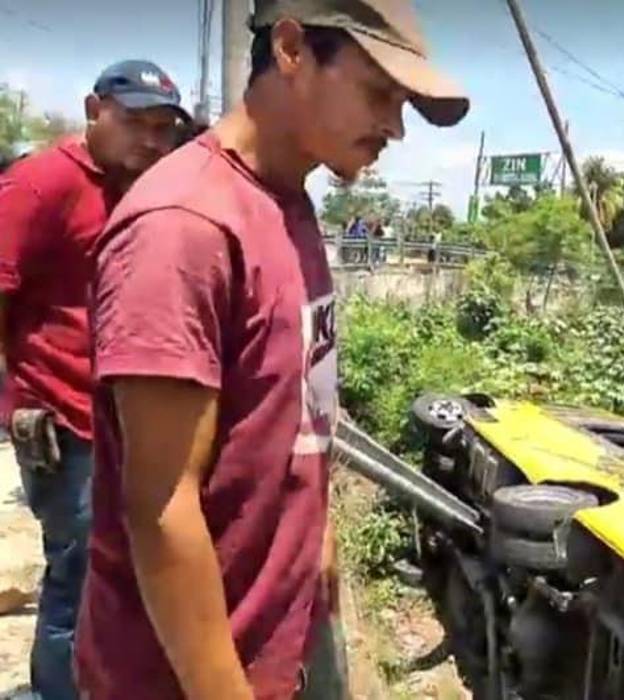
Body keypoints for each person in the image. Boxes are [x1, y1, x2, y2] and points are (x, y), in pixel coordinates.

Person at [77, 1, 468, 698]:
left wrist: (315, 544)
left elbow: (303, 412)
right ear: (291, 49)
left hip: (266, 646)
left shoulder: (288, 204)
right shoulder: (185, 227)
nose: (395, 127)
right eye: (380, 93)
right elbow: (161, 510)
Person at [0, 60, 187, 700]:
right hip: (64, 424)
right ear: (93, 109)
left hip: (124, 420)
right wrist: (15, 398)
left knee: (123, 575)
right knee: (76, 581)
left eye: (162, 128)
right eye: (135, 122)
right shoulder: (41, 183)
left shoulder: (138, 185)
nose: (150, 140)